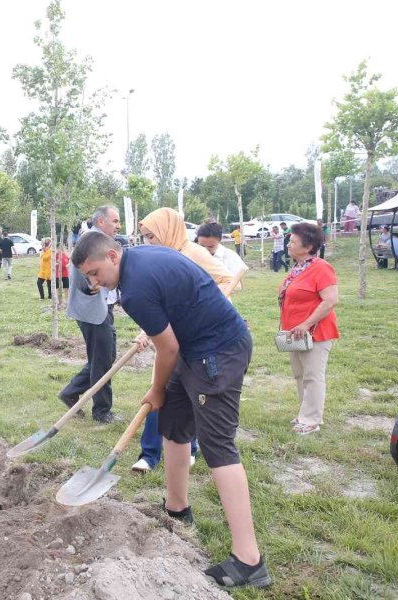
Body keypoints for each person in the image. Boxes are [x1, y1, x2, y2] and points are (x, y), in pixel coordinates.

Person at [72, 231, 270, 590]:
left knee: (218, 448)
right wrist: (163, 393)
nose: (93, 282)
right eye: (88, 276)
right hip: (194, 349)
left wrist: (157, 389)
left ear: (113, 256)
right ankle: (177, 509)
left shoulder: (135, 290)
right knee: (174, 426)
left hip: (217, 352)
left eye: (95, 272)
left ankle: (249, 561)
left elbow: (167, 350)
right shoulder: (141, 258)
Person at [133, 208, 236, 471]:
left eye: (151, 236)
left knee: (187, 392)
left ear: (168, 230)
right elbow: (163, 304)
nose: (148, 243)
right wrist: (146, 332)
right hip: (173, 333)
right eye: (144, 237)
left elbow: (228, 278)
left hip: (200, 335)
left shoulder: (193, 252)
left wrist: (205, 306)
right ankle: (149, 454)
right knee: (161, 388)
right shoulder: (160, 258)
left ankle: (188, 446)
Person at [59, 205, 123, 424]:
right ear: (101, 221)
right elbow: (84, 280)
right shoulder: (91, 242)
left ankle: (71, 392)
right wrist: (93, 287)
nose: (118, 225)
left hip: (100, 308)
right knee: (102, 360)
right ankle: (102, 412)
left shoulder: (96, 240)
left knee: (104, 358)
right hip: (92, 310)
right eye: (115, 221)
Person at [280, 223, 339, 436]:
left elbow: (331, 300)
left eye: (293, 241)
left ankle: (312, 419)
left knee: (313, 376)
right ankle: (304, 414)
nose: (289, 244)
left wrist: (306, 324)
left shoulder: (321, 267)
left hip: (316, 333)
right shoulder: (298, 267)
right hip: (295, 333)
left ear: (308, 246)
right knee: (299, 374)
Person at [196, 222, 248, 287]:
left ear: (220, 240)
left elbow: (237, 284)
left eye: (210, 246)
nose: (205, 250)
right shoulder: (192, 254)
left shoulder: (230, 256)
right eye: (202, 246)